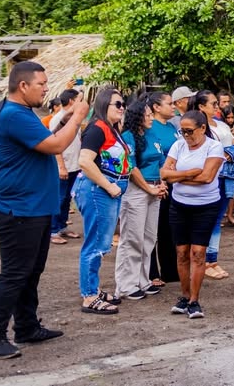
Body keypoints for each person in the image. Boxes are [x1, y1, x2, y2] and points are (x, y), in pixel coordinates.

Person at [0, 61, 88, 359]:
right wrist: (78, 117)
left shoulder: (24, 112)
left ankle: (26, 327)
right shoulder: (14, 115)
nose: (46, 89)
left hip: (34, 208)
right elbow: (55, 145)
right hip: (17, 209)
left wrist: (67, 116)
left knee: (30, 271)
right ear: (23, 85)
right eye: (41, 84)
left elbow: (47, 137)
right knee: (15, 273)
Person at [159, 110, 226, 319]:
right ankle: (184, 295)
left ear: (202, 128)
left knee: (198, 252)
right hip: (179, 205)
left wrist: (176, 177)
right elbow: (164, 173)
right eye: (183, 131)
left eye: (190, 131)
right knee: (181, 252)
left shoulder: (214, 147)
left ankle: (194, 300)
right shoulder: (178, 145)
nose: (186, 135)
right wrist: (189, 173)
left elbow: (207, 178)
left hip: (206, 206)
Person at [75, 88, 134, 315]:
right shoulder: (97, 128)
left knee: (100, 243)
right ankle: (89, 296)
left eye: (123, 104)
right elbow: (85, 161)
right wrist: (109, 186)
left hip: (106, 192)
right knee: (95, 244)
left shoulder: (110, 129)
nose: (122, 108)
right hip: (98, 191)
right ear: (103, 105)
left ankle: (93, 289)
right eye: (117, 104)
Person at [117, 98, 168, 301]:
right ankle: (126, 284)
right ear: (138, 117)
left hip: (154, 188)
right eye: (147, 115)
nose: (151, 118)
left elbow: (161, 161)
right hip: (137, 190)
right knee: (132, 237)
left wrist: (161, 184)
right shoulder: (128, 137)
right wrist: (149, 188)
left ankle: (143, 279)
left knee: (149, 237)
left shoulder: (151, 134)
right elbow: (131, 167)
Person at [192, 91, 234, 279]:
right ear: (201, 106)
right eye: (213, 104)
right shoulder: (198, 127)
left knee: (217, 219)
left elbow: (233, 145)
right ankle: (204, 261)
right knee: (207, 219)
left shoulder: (222, 125)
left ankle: (212, 260)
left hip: (226, 175)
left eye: (217, 103)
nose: (217, 107)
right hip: (209, 177)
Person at [147, 92, 180, 287]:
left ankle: (170, 271)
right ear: (156, 107)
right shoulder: (151, 128)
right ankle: (151, 273)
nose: (173, 106)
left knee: (169, 228)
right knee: (153, 229)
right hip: (157, 183)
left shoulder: (171, 127)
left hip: (173, 183)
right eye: (169, 103)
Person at [49, 88, 83, 245]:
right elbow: (54, 144)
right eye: (78, 100)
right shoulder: (58, 119)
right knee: (59, 198)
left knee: (67, 198)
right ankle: (53, 230)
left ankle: (62, 226)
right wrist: (61, 166)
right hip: (64, 166)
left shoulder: (74, 118)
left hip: (74, 165)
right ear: (71, 101)